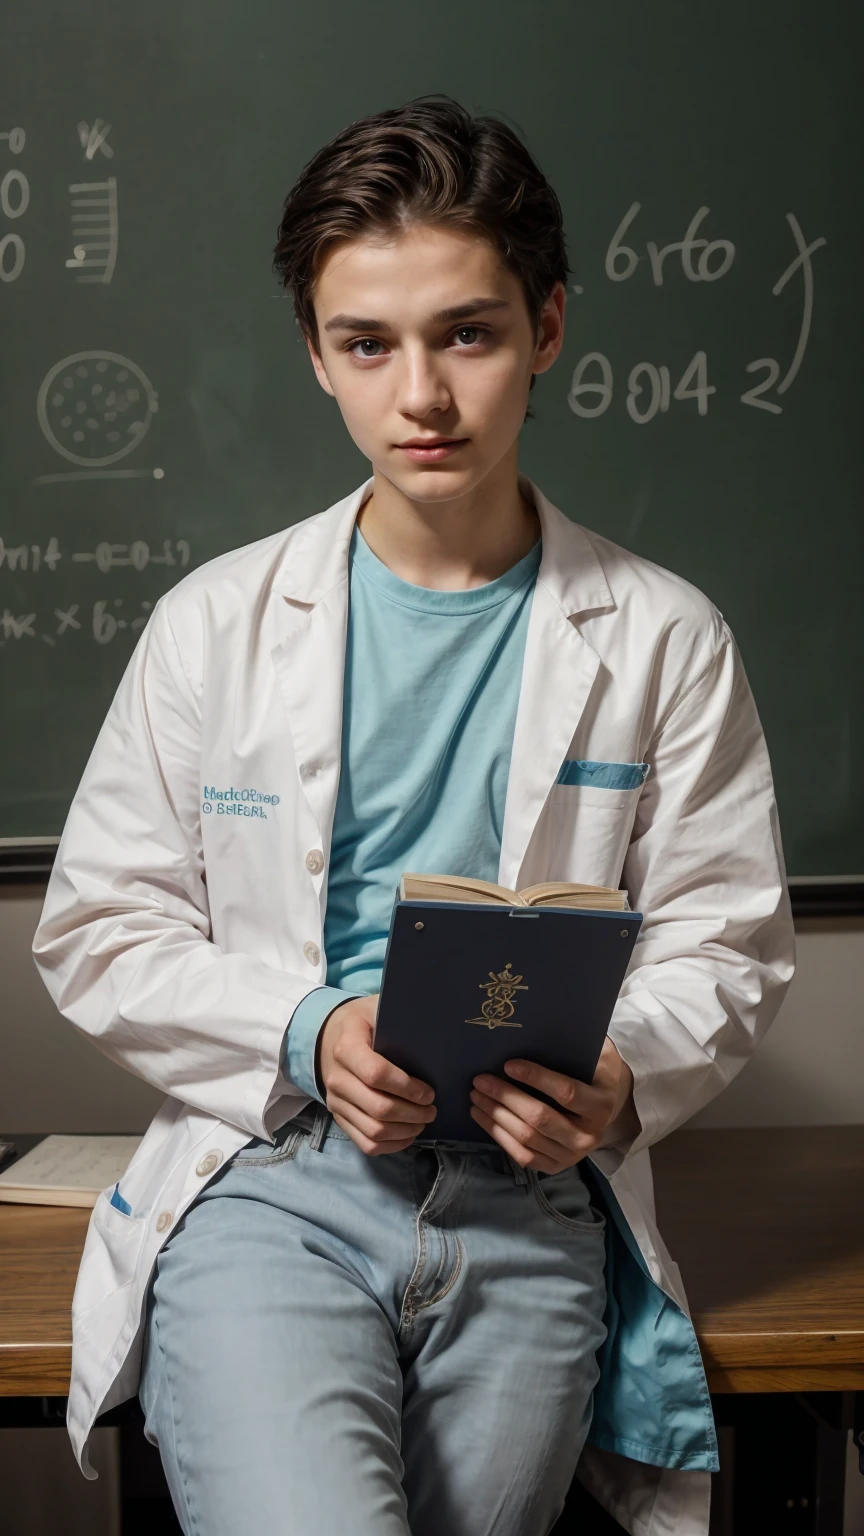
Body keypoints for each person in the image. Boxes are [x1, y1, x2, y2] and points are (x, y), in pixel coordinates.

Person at [32, 95, 795, 1536]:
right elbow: (100, 928)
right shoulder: (218, 625)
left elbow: (730, 942)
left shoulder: (661, 636)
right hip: (277, 1182)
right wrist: (308, 1032)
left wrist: (619, 1078)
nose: (421, 397)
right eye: (367, 345)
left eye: (468, 333)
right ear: (318, 356)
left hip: (530, 1201)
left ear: (548, 328)